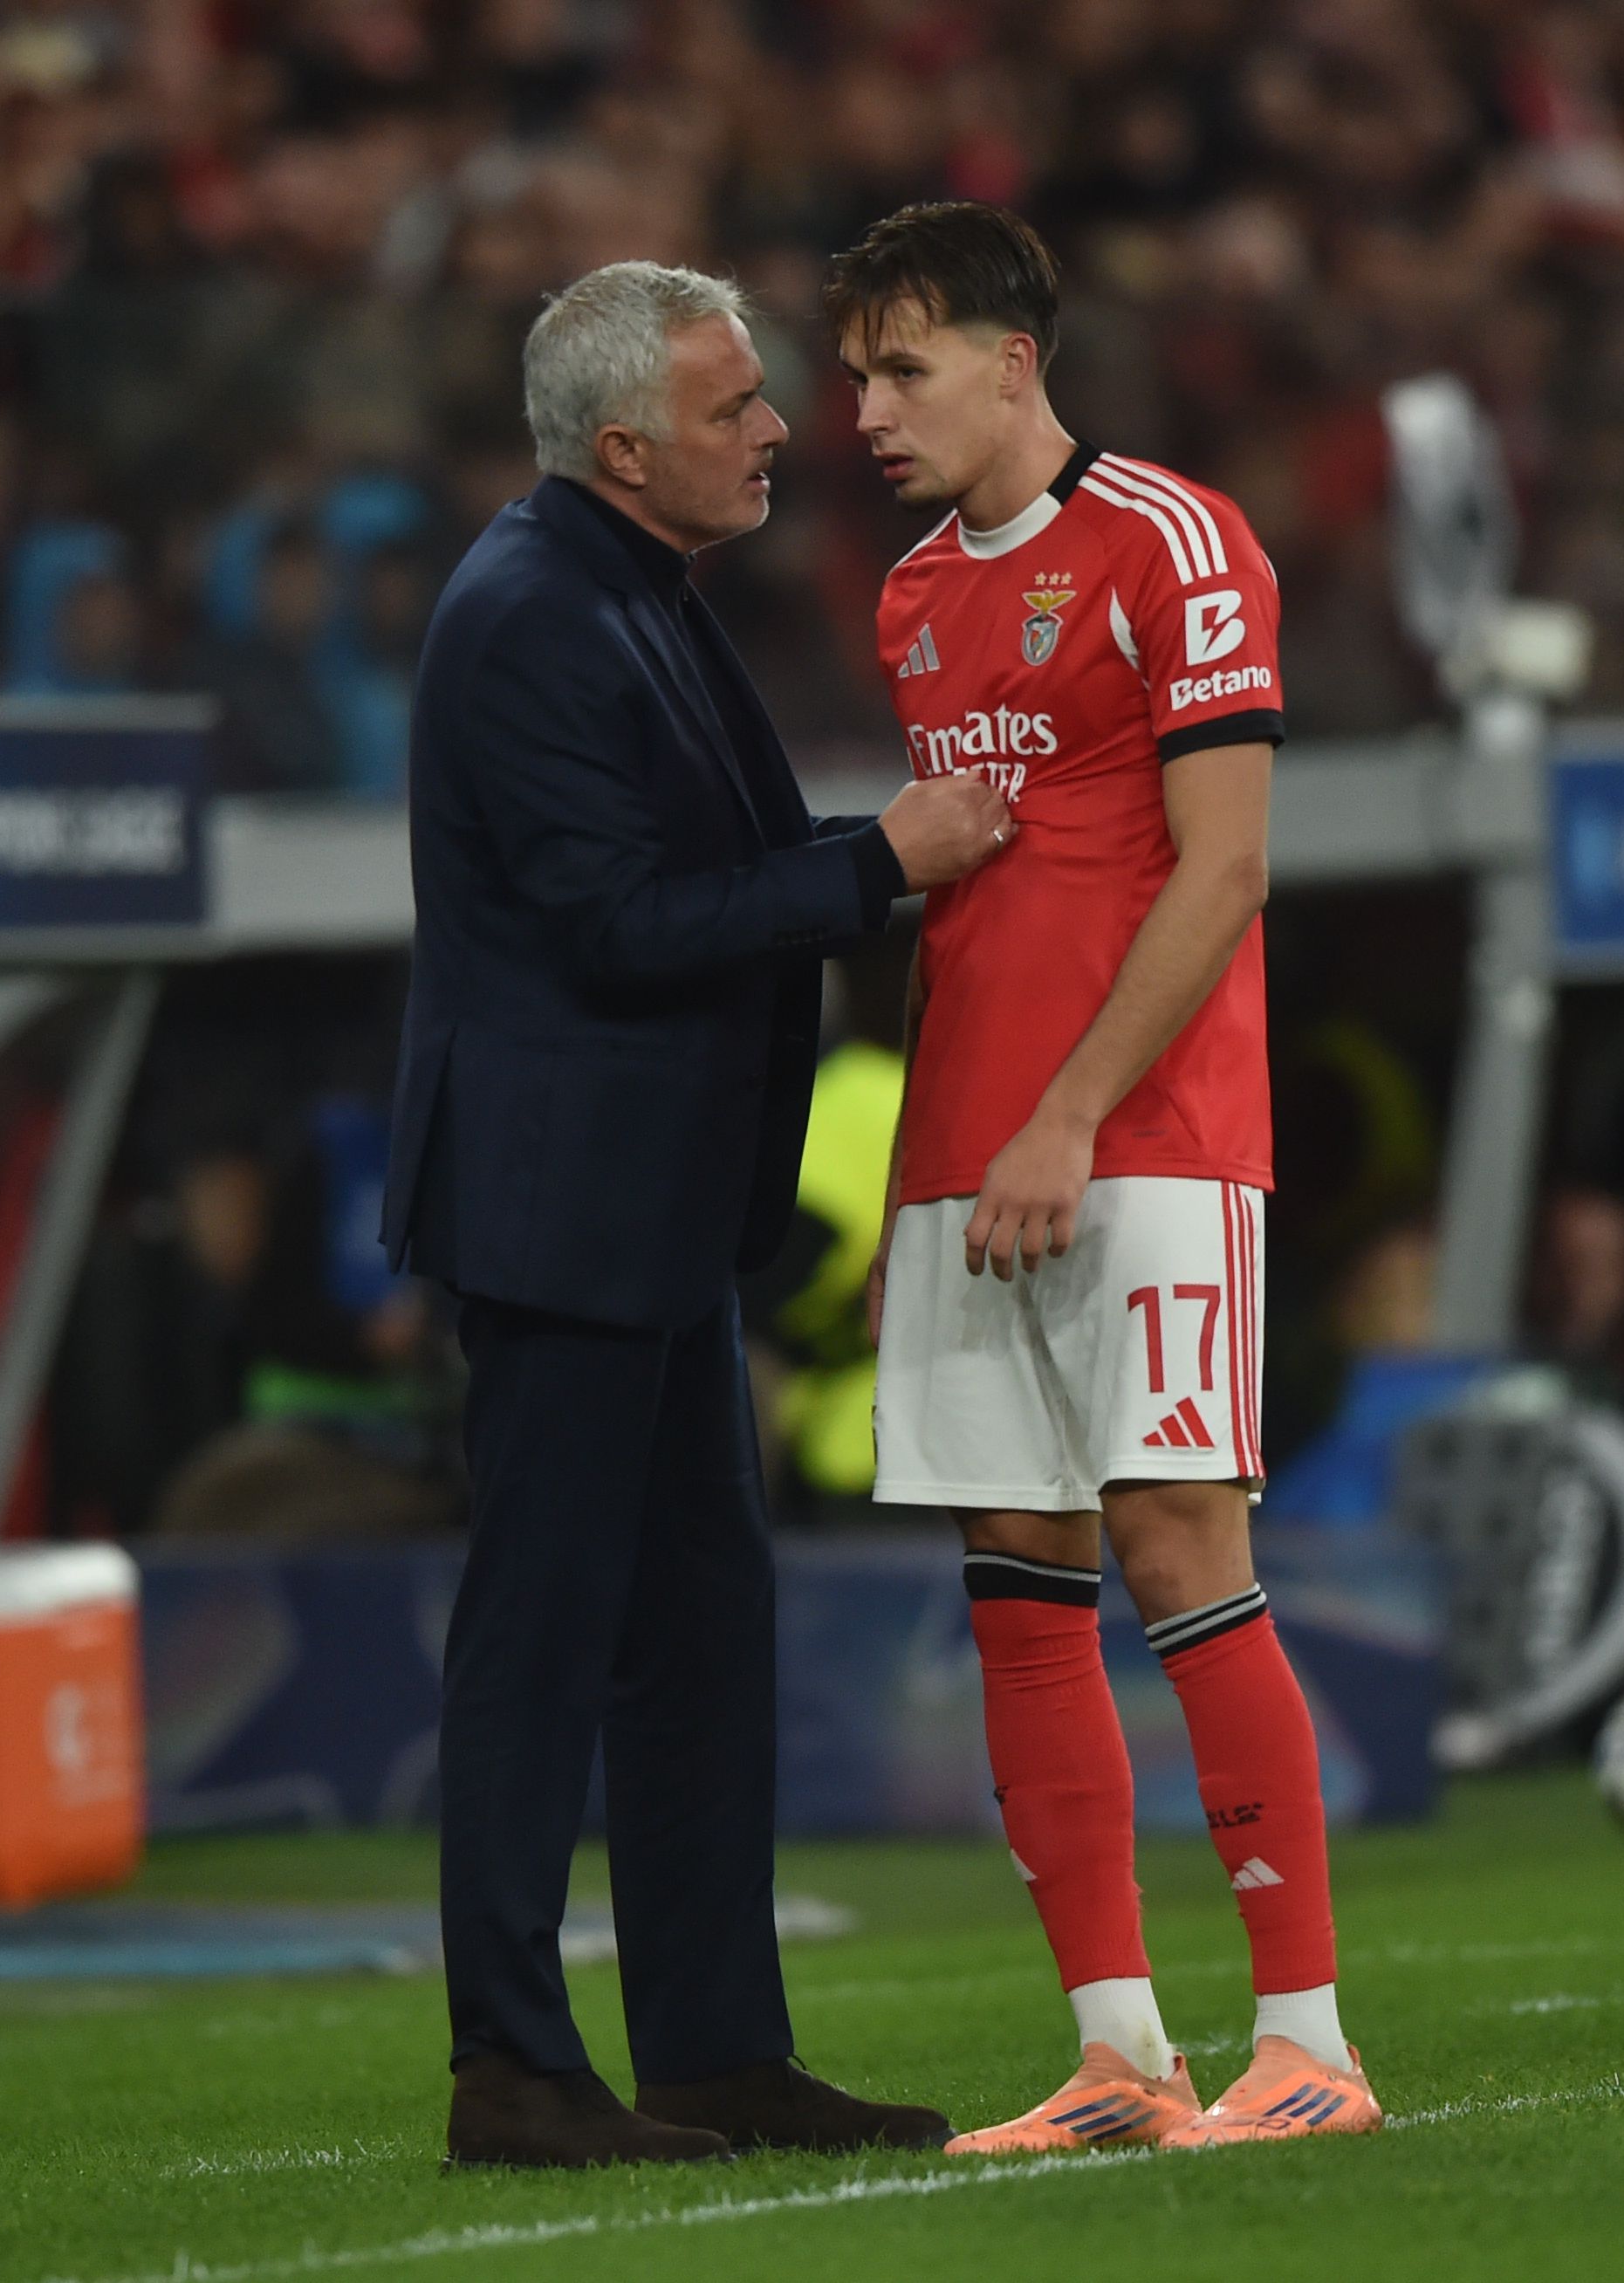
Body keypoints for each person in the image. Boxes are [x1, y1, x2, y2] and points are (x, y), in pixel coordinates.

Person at [380, 258, 1012, 2170]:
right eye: (733, 405)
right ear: (624, 444)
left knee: (699, 1639)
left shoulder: (628, 590)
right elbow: (615, 927)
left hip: (645, 1219)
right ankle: (511, 2066)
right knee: (544, 1639)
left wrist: (862, 859)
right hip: (564, 1212)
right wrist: (876, 867)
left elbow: (684, 877)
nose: (777, 429)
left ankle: (717, 2049)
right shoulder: (532, 616)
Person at [831, 202, 1380, 2154]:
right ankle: (1120, 2057)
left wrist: (1066, 1113)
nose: (868, 412)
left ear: (1012, 362)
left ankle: (1308, 2043)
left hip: (1143, 1135)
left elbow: (1225, 869)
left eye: (902, 370)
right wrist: (936, 1169)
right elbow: (969, 910)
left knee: (1175, 1545)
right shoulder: (910, 598)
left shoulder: (1175, 540)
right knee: (1016, 1583)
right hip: (970, 1160)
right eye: (856, 377)